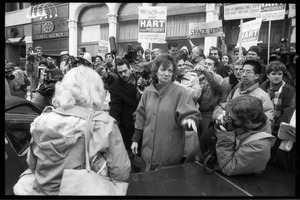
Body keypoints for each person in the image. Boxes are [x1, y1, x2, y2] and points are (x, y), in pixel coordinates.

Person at [14, 66, 131, 195]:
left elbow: (32, 164)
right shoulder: (103, 123)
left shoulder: (42, 120)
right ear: (97, 90)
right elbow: (121, 172)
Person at [131, 53, 201, 171]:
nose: (167, 73)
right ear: (156, 71)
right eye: (163, 70)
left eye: (170, 70)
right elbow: (140, 116)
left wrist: (189, 121)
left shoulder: (180, 92)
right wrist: (135, 139)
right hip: (147, 154)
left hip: (169, 154)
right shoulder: (148, 92)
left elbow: (189, 114)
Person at [202, 95, 276, 176]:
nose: (228, 119)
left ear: (248, 123)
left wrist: (225, 138)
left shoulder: (260, 146)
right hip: (210, 156)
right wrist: (218, 116)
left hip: (230, 181)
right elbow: (223, 106)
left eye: (232, 119)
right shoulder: (244, 113)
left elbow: (228, 168)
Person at [212, 60, 274, 133]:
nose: (244, 75)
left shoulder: (263, 96)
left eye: (248, 72)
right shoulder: (236, 89)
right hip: (231, 131)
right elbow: (227, 105)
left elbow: (268, 121)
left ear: (256, 76)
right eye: (242, 71)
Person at [109, 59, 141, 158]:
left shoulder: (140, 79)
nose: (123, 75)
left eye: (125, 71)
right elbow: (115, 110)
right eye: (120, 72)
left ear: (130, 69)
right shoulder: (115, 87)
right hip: (129, 128)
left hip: (147, 125)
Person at [194, 56, 228, 135]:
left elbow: (215, 87)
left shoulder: (218, 78)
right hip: (197, 112)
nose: (206, 66)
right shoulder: (201, 78)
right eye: (205, 63)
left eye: (209, 64)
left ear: (215, 68)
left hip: (209, 114)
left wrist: (205, 71)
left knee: (205, 136)